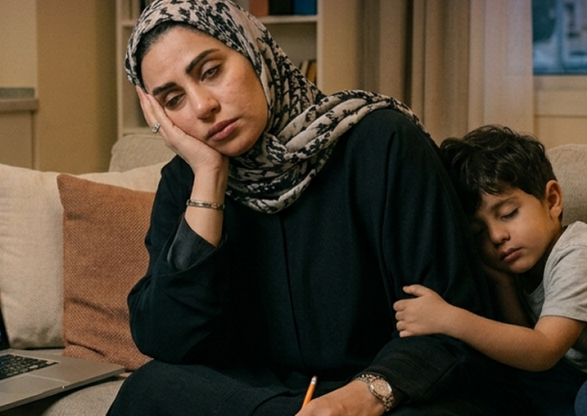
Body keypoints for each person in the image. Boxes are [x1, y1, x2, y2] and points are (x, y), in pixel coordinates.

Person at [107, 0, 527, 414]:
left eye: (211, 71)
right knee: (150, 388)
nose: (202, 106)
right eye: (173, 99)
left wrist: (368, 393)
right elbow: (169, 341)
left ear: (253, 50)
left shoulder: (382, 142)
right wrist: (209, 177)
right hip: (263, 395)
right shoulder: (187, 181)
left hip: (389, 392)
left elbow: (453, 323)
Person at [394, 125, 587, 416]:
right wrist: (503, 283)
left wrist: (449, 318)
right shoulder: (524, 260)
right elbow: (524, 344)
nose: (496, 236)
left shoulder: (577, 253)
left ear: (552, 201)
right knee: (516, 383)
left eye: (508, 214)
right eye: (478, 231)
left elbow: (543, 350)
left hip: (570, 373)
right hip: (571, 372)